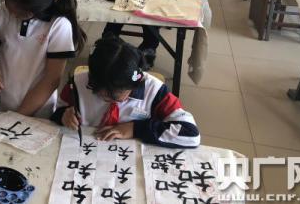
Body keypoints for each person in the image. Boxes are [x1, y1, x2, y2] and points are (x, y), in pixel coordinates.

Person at [51, 35, 200, 148]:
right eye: (103, 96)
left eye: (118, 97)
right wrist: (63, 115)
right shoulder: (77, 84)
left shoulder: (155, 91)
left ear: (135, 83)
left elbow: (191, 134)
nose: (110, 99)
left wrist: (136, 129)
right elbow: (55, 113)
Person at [0, 0, 86, 117]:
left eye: (19, 14)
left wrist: (18, 115)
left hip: (35, 113)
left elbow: (51, 79)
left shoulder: (58, 25)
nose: (13, 15)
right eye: (9, 7)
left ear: (36, 10)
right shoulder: (3, 13)